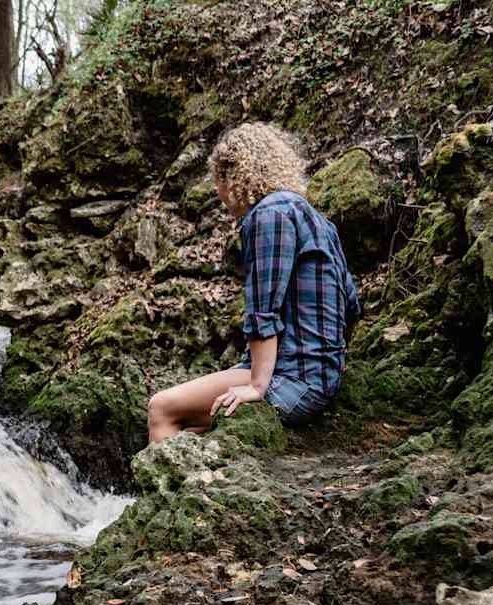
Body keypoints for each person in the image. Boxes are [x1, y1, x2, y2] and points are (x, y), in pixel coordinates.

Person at [147, 122, 362, 442]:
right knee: (196, 431)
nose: (220, 198)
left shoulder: (268, 215)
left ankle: (159, 492)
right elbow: (352, 306)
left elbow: (264, 312)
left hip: (293, 381)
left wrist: (257, 387)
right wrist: (333, 363)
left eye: (217, 183)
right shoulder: (317, 219)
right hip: (320, 378)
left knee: (161, 408)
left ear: (232, 175)